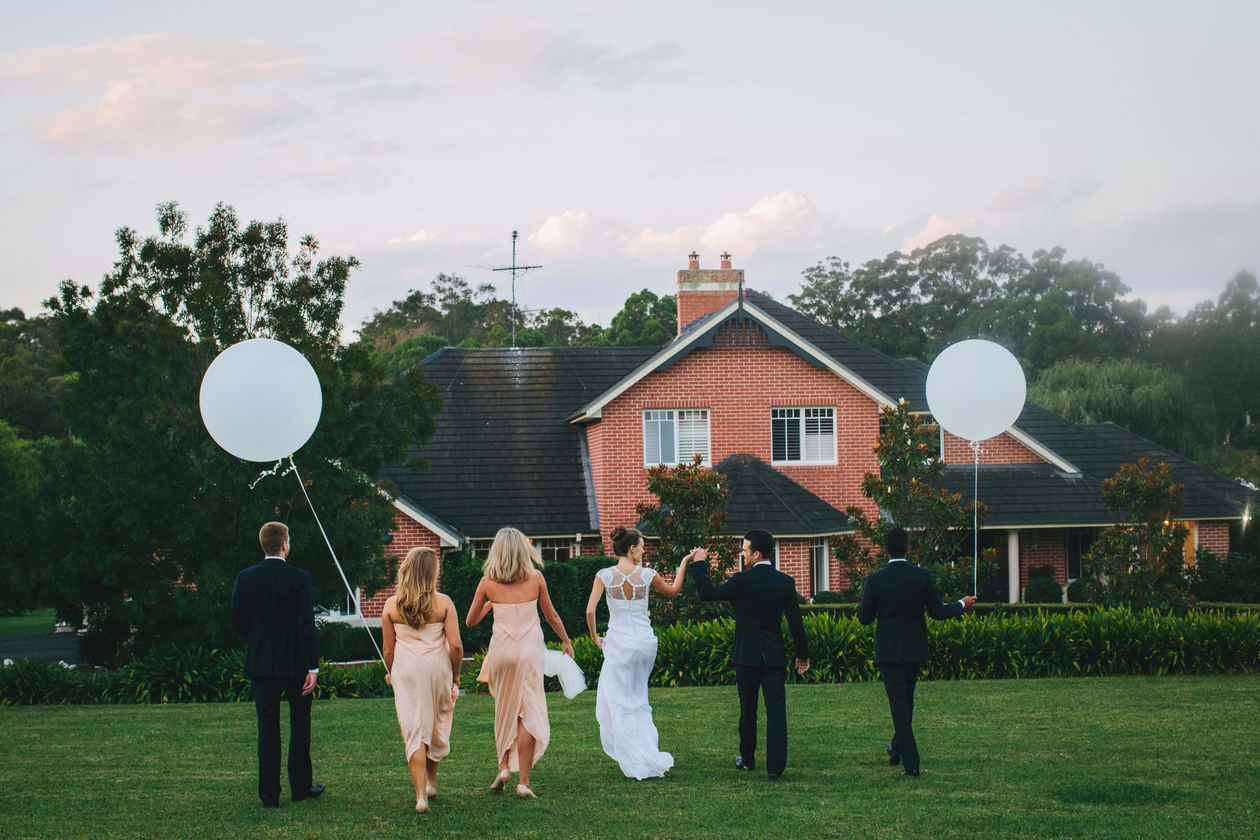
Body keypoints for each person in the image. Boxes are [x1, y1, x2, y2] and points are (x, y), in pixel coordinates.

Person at [687, 529, 809, 781]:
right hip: (773, 655)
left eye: (745, 550)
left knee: (748, 709)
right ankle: (775, 767)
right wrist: (802, 655)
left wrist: (699, 564)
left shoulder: (741, 581)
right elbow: (796, 623)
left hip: (746, 655)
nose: (743, 555)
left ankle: (747, 759)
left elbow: (707, 593)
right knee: (776, 711)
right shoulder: (785, 582)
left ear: (757, 553)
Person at [857, 527, 976, 777]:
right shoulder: (922, 576)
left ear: (885, 549)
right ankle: (900, 750)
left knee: (900, 704)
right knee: (906, 701)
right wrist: (961, 605)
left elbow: (864, 618)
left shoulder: (875, 579)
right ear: (907, 548)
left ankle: (908, 760)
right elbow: (937, 612)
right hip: (914, 648)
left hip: (888, 651)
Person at [466, 527, 575, 799]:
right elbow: (551, 615)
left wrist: (491, 605)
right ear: (523, 551)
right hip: (528, 652)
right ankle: (523, 782)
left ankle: (503, 767)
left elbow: (470, 621)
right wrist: (566, 640)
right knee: (528, 712)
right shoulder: (536, 578)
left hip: (501, 652)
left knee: (505, 709)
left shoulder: (487, 582)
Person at [584, 526, 695, 779]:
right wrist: (684, 563)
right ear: (632, 549)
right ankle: (646, 752)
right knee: (638, 699)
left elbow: (590, 612)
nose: (644, 550)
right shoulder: (647, 575)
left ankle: (632, 757)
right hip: (644, 644)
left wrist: (594, 638)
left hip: (619, 645)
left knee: (618, 701)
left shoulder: (604, 575)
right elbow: (673, 591)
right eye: (642, 546)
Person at [230, 521, 324, 807]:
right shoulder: (300, 578)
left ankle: (269, 794)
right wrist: (313, 666)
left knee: (267, 727)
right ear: (284, 544)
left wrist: (257, 642)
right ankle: (300, 786)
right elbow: (307, 625)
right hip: (296, 663)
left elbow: (237, 621)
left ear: (263, 545)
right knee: (300, 723)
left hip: (262, 663)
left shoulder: (245, 578)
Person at [381, 547, 463, 813]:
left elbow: (388, 650)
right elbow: (457, 646)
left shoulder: (392, 604)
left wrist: (390, 671)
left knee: (415, 728)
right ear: (432, 572)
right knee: (437, 723)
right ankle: (431, 781)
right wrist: (457, 676)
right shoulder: (445, 603)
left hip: (406, 672)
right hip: (438, 668)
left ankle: (420, 797)